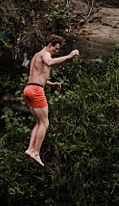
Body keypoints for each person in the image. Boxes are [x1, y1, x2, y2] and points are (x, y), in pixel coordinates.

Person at [22, 35, 80, 166]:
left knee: (38, 122)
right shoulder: (45, 54)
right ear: (49, 45)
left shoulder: (37, 56)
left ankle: (31, 149)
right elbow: (50, 62)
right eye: (56, 48)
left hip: (28, 89)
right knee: (45, 123)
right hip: (36, 91)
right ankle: (36, 152)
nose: (56, 52)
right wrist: (69, 56)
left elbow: (38, 75)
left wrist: (51, 84)